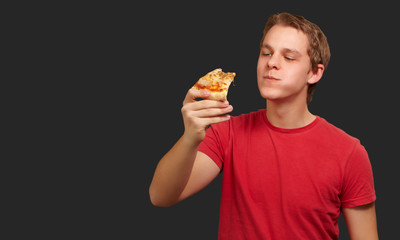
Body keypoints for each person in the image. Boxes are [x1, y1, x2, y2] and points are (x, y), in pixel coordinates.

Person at [149, 12, 378, 240]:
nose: (271, 63)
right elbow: (160, 196)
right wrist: (190, 137)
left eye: (288, 57)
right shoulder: (227, 133)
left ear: (314, 73)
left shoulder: (349, 153)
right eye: (266, 53)